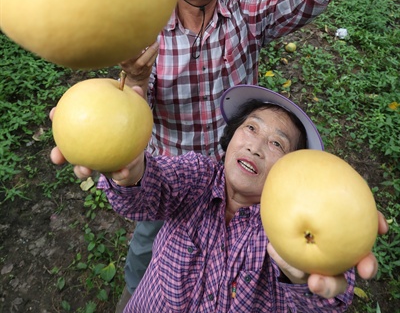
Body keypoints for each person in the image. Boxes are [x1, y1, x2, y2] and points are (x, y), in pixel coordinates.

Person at [116, 0, 372, 310]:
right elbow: (129, 115)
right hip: (175, 181)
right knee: (148, 248)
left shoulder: (244, 16)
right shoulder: (146, 33)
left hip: (244, 175)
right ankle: (135, 297)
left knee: (247, 266)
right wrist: (136, 86)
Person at [50, 85, 387, 313]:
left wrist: (304, 275)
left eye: (277, 144)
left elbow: (326, 295)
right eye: (251, 129)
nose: (255, 146)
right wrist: (129, 167)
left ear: (293, 169)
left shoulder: (284, 230)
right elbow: (152, 187)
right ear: (231, 138)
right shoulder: (198, 176)